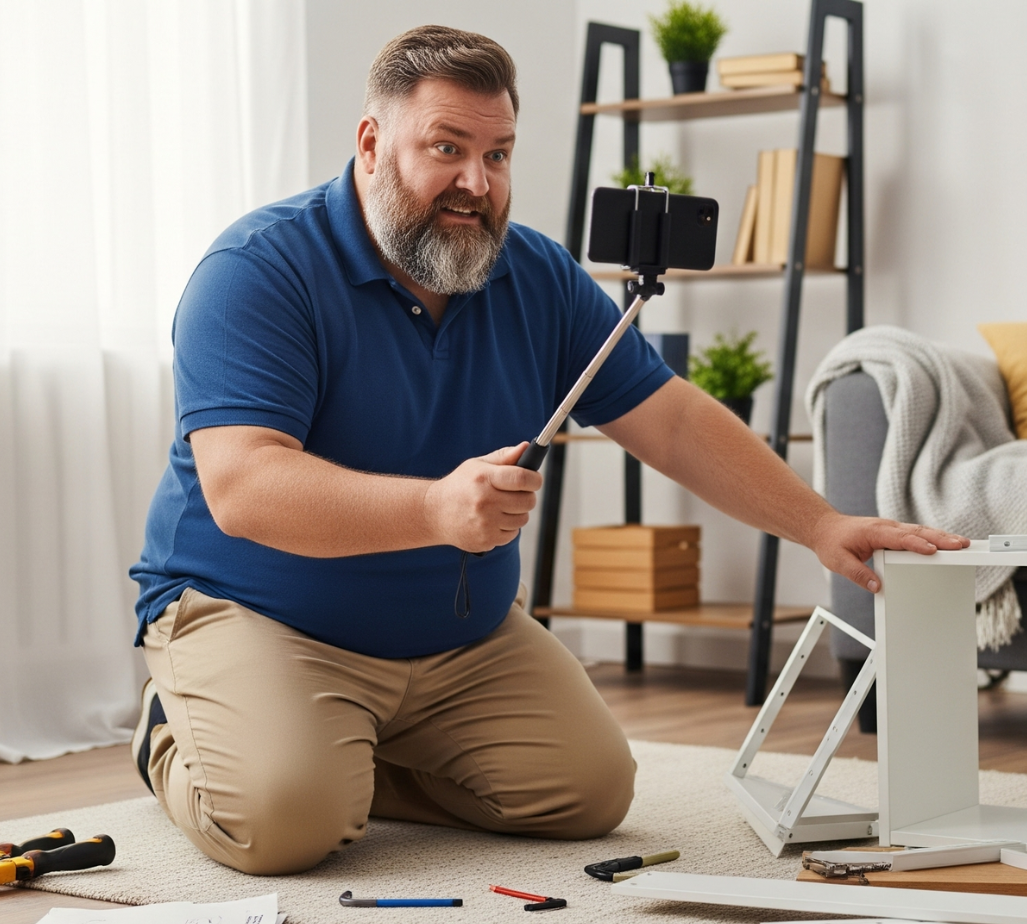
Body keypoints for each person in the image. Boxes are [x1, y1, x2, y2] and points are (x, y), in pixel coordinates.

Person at [128, 24, 967, 876]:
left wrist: (819, 525)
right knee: (285, 828)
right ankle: (177, 729)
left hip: (458, 638)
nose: (476, 183)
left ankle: (341, 759)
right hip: (265, 616)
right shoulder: (257, 270)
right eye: (447, 149)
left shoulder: (535, 274)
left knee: (587, 795)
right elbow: (244, 486)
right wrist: (432, 508)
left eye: (498, 156)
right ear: (372, 144)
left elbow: (669, 420)